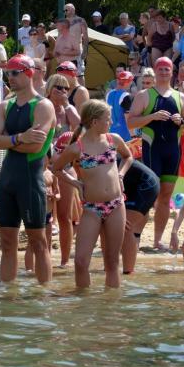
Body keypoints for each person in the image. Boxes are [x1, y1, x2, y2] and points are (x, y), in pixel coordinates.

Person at [53, 100, 133, 288]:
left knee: (112, 262)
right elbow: (56, 168)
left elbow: (128, 156)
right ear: (95, 122)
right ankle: (83, 302)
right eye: (108, 119)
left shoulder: (113, 140)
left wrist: (121, 174)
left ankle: (110, 303)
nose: (111, 122)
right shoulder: (77, 148)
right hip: (91, 208)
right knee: (80, 262)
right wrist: (76, 184)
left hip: (115, 205)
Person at [0, 55, 55, 284]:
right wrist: (19, 138)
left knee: (38, 242)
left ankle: (43, 295)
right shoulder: (4, 106)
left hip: (30, 180)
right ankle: (8, 296)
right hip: (7, 180)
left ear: (29, 73)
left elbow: (35, 146)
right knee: (7, 243)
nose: (10, 77)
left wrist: (8, 140)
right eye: (8, 73)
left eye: (15, 73)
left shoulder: (43, 106)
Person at [127, 57, 184, 251]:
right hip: (152, 151)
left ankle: (157, 241)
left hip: (173, 152)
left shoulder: (180, 97)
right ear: (155, 71)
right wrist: (152, 117)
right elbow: (131, 122)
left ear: (172, 72)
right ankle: (135, 237)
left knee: (165, 196)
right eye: (161, 69)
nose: (164, 72)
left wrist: (181, 122)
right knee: (149, 194)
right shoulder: (144, 95)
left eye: (167, 69)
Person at [46, 77, 79, 267]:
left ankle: (65, 261)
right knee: (46, 217)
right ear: (50, 88)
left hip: (65, 167)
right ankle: (45, 258)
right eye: (58, 88)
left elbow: (81, 128)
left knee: (65, 216)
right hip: (46, 167)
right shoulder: (43, 107)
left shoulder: (68, 110)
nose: (62, 91)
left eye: (66, 88)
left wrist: (66, 104)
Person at [121, 159, 160, 274]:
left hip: (146, 183)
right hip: (131, 184)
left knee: (125, 227)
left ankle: (128, 273)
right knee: (108, 225)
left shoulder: (99, 158)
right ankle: (108, 268)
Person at [26, 154, 59, 272]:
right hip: (35, 212)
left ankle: (45, 267)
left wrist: (54, 196)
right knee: (31, 242)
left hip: (48, 212)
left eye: (44, 156)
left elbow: (58, 194)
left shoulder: (52, 174)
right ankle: (29, 270)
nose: (41, 159)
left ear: (48, 159)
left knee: (47, 241)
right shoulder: (32, 173)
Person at [105, 70, 134, 141]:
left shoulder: (109, 94)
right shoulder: (126, 96)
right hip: (125, 135)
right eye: (131, 81)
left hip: (111, 133)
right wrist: (133, 136)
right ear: (128, 82)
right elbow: (128, 119)